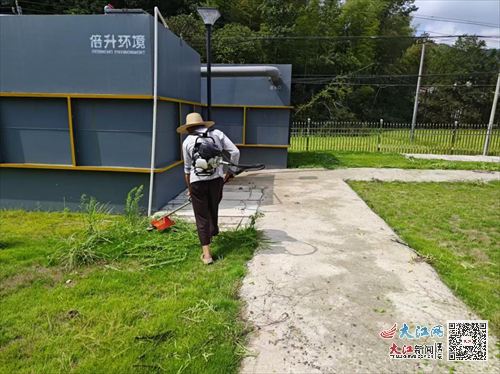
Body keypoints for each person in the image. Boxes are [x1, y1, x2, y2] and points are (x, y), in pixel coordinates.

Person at [177, 112, 240, 265]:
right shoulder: (217, 134)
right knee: (213, 207)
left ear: (189, 128)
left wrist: (190, 189)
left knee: (201, 215)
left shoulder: (187, 142)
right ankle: (212, 232)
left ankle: (207, 255)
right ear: (203, 124)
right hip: (216, 180)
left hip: (197, 182)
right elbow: (235, 152)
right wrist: (230, 172)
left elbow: (187, 169)